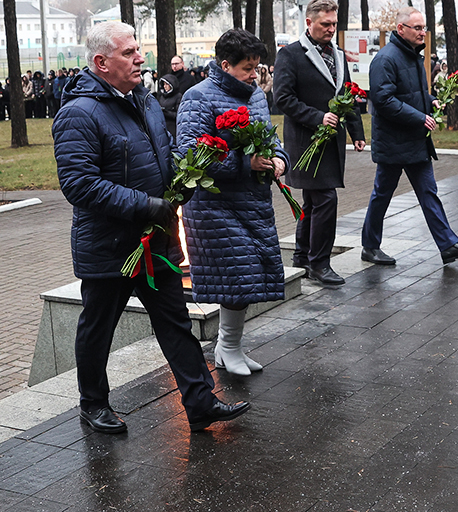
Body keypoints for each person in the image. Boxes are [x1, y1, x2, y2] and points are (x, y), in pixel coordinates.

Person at [52, 21, 249, 434]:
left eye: (138, 50)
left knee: (175, 322)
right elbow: (79, 185)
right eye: (129, 53)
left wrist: (186, 177)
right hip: (111, 248)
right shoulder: (78, 113)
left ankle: (199, 402)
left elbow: (162, 157)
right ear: (101, 62)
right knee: (98, 329)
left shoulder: (145, 100)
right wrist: (150, 206)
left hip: (156, 241)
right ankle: (93, 403)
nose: (141, 57)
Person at [177, 28, 288, 376]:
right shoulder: (198, 97)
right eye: (247, 68)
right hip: (214, 204)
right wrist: (244, 163)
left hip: (251, 201)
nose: (254, 75)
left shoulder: (255, 95)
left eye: (256, 67)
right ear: (225, 65)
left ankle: (230, 347)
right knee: (240, 274)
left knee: (245, 277)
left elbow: (268, 136)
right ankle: (227, 347)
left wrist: (279, 159)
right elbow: (190, 153)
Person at [361, 7, 458, 265]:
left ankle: (447, 245)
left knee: (429, 192)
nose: (422, 33)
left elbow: (410, 94)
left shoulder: (413, 56)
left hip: (414, 141)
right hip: (394, 143)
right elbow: (383, 100)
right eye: (417, 28)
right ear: (401, 29)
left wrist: (431, 101)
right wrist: (419, 116)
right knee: (382, 195)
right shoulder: (385, 59)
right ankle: (370, 246)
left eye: (424, 28)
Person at [275, 0, 366, 286]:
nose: (330, 29)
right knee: (326, 199)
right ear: (309, 22)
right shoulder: (290, 54)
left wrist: (357, 132)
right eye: (325, 24)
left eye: (334, 24)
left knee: (314, 203)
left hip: (332, 144)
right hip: (305, 142)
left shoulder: (338, 55)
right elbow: (283, 99)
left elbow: (346, 95)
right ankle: (319, 264)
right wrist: (317, 117)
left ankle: (302, 257)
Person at [154, 74, 181, 138]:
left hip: (173, 128)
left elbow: (178, 114)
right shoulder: (161, 96)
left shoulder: (178, 96)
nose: (165, 86)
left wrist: (165, 112)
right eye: (164, 84)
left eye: (167, 84)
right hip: (162, 127)